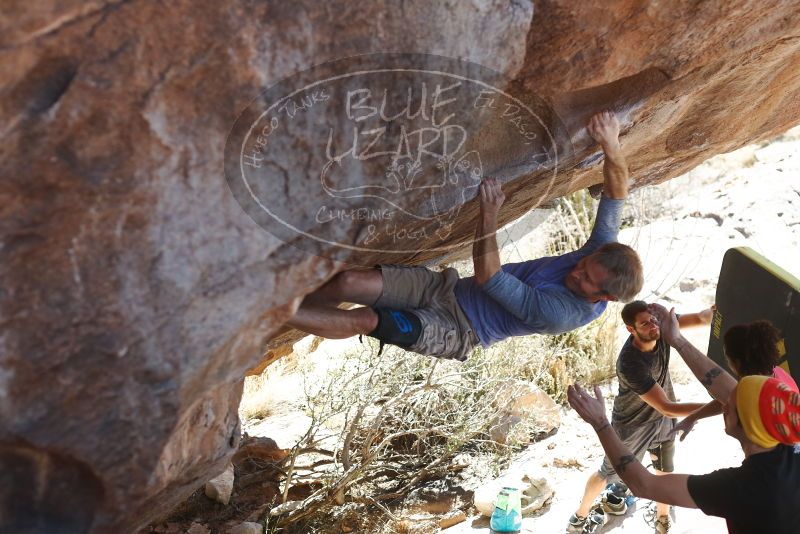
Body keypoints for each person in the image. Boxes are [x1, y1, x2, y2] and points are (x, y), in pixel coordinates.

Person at [286, 110, 643, 361]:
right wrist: (610, 143)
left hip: (456, 330)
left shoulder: (563, 313)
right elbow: (616, 193)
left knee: (367, 319)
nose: (577, 269)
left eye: (586, 279)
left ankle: (266, 315)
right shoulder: (602, 256)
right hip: (446, 288)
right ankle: (290, 310)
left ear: (605, 298)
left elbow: (490, 277)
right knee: (350, 282)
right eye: (584, 263)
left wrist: (489, 212)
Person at [568, 304, 800, 534]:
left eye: (732, 405)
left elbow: (643, 484)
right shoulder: (787, 435)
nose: (724, 404)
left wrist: (600, 422)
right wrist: (678, 341)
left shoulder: (740, 487)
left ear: (748, 424)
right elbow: (726, 389)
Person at [567, 301, 714, 533]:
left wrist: (718, 309)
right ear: (631, 329)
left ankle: (662, 518)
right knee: (607, 473)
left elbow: (703, 318)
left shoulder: (662, 328)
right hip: (631, 425)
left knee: (664, 471)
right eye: (645, 324)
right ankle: (580, 516)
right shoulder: (630, 363)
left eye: (654, 320)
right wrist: (719, 406)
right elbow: (667, 406)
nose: (653, 326)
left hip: (663, 421)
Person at [672, 319, 798, 441]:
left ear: (737, 363)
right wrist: (693, 417)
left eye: (727, 359)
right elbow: (731, 396)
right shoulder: (775, 373)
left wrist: (676, 339)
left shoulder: (756, 395)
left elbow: (732, 396)